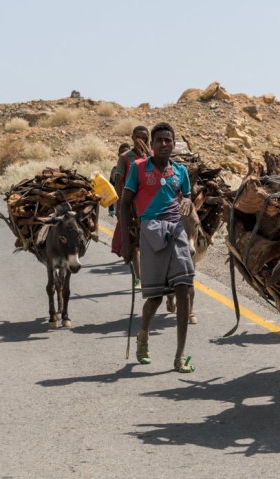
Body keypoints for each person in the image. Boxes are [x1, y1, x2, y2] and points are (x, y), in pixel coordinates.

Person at [120, 122, 195, 373]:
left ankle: (180, 355)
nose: (164, 144)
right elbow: (124, 204)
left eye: (168, 140)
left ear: (174, 144)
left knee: (184, 288)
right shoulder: (139, 169)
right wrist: (126, 242)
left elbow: (187, 198)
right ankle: (143, 335)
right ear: (151, 145)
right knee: (156, 297)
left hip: (176, 230)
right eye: (159, 140)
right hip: (150, 232)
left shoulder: (180, 171)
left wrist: (187, 204)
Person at [112, 127, 150, 286]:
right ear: (133, 138)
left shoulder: (152, 156)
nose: (141, 140)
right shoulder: (125, 158)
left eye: (145, 137)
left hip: (148, 204)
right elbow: (119, 181)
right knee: (132, 240)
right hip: (131, 204)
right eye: (138, 137)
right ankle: (139, 276)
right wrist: (119, 205)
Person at [108, 142, 130, 217]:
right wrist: (111, 208)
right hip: (119, 203)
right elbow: (111, 188)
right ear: (118, 154)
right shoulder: (115, 170)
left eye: (126, 153)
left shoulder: (133, 169)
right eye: (122, 153)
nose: (124, 155)